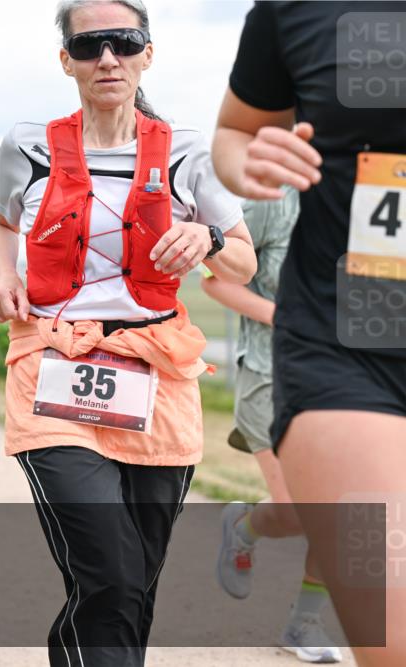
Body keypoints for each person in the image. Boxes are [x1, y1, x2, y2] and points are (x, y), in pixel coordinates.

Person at [0, 2, 256, 664]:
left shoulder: (187, 151)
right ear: (66, 60)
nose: (108, 58)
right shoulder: (28, 145)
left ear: (147, 54)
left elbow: (243, 261)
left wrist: (210, 237)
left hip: (157, 372)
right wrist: (2, 274)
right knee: (110, 571)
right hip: (54, 363)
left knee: (135, 580)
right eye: (90, 45)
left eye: (124, 42)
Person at [212, 3, 406, 665]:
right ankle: (298, 613)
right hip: (348, 346)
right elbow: (238, 131)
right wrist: (248, 162)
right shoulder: (297, 10)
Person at [205, 187, 342, 664]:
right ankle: (243, 527)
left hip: (342, 383)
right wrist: (283, 318)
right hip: (271, 375)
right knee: (299, 510)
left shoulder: (377, 210)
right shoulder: (277, 202)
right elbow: (216, 281)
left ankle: (304, 622)